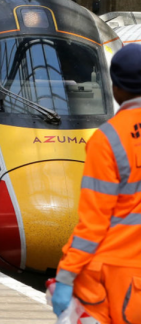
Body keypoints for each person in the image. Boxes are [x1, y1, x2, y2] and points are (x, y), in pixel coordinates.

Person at [52, 43, 141, 323]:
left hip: (116, 277)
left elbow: (93, 224)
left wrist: (66, 276)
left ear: (115, 88)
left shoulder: (108, 140)